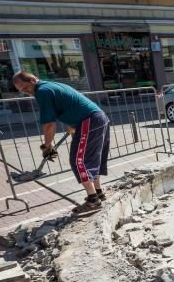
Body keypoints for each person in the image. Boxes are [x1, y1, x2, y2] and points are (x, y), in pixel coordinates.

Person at [12, 71, 110, 214]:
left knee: (78, 161)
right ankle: (98, 192)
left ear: (33, 80)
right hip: (97, 118)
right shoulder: (50, 86)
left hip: (89, 121)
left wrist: (47, 145)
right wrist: (72, 124)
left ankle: (93, 200)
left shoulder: (43, 92)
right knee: (92, 159)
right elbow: (70, 104)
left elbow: (49, 124)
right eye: (21, 91)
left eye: (25, 87)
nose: (25, 92)